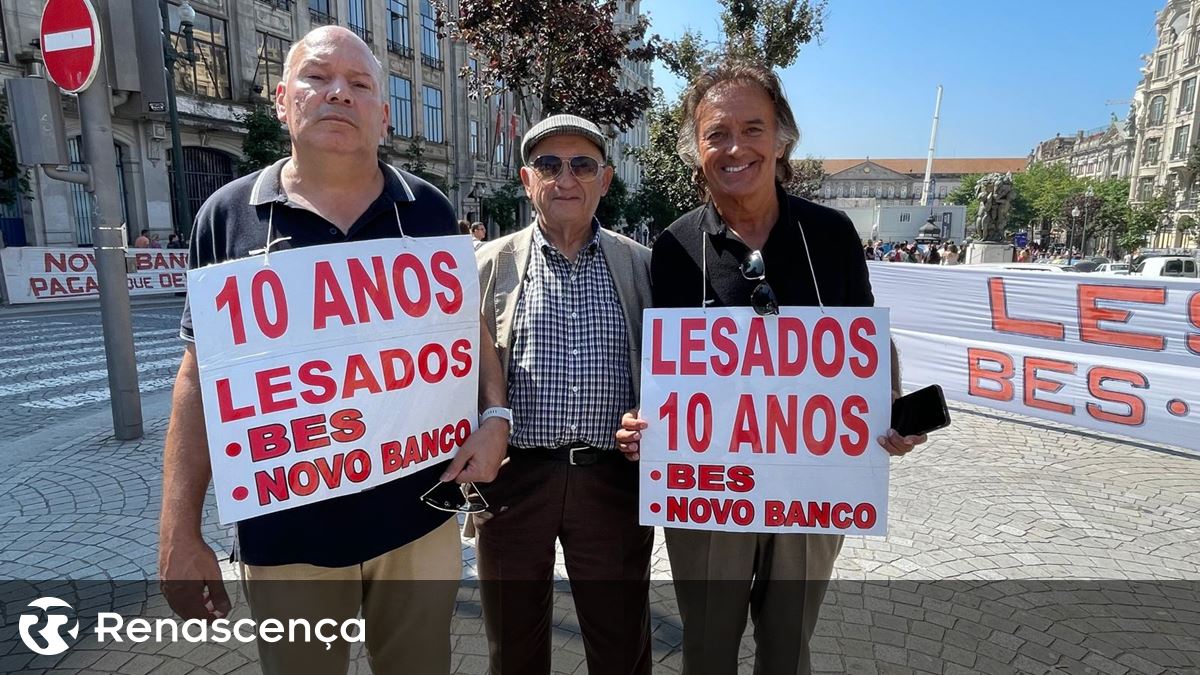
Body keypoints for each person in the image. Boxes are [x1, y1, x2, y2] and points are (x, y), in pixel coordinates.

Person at [158, 26, 509, 675]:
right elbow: (198, 377)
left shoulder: (427, 210)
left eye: (360, 84)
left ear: (382, 115)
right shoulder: (226, 215)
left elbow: (470, 330)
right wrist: (179, 528)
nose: (338, 94)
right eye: (319, 78)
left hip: (418, 524)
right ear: (283, 100)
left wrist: (495, 419)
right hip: (286, 538)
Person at [616, 61, 928, 675]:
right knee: (706, 649)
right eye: (716, 133)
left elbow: (861, 342)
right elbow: (665, 372)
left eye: (753, 128)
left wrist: (887, 407)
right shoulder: (675, 248)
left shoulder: (832, 235)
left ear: (782, 138)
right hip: (711, 495)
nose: (736, 148)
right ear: (694, 150)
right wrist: (642, 426)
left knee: (788, 648)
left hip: (813, 488)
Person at [471, 114, 654, 675]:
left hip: (612, 482)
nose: (565, 178)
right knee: (513, 642)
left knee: (620, 641)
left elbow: (674, 369)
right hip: (513, 482)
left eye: (582, 165)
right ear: (528, 180)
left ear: (606, 179)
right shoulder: (485, 266)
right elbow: (461, 372)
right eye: (549, 165)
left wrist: (655, 420)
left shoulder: (641, 266)